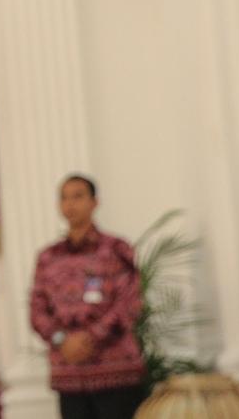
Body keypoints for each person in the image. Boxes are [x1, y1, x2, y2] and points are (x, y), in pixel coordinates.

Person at [30, 174, 147, 419]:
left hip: (116, 373)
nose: (70, 204)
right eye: (64, 198)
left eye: (78, 196)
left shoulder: (116, 249)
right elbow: (37, 311)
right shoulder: (48, 258)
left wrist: (89, 338)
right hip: (69, 376)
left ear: (94, 202)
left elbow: (129, 303)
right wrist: (63, 340)